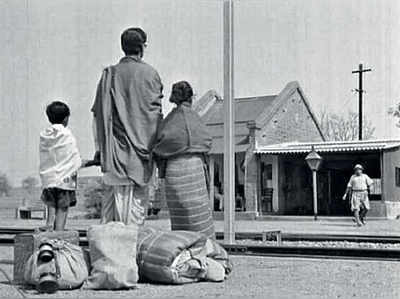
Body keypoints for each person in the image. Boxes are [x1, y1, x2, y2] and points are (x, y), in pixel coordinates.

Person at [91, 27, 163, 226]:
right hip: (140, 160)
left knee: (109, 220)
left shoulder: (109, 75)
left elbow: (98, 116)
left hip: (113, 157)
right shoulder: (150, 74)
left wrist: (100, 150)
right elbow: (154, 117)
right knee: (135, 219)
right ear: (142, 47)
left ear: (123, 47)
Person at [152, 81, 215, 238]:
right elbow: (207, 141)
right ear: (191, 98)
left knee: (180, 223)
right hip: (195, 172)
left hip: (175, 173)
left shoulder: (169, 121)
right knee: (201, 222)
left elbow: (158, 145)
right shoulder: (196, 119)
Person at [39, 101, 82, 231]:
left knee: (51, 208)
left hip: (49, 180)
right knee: (62, 209)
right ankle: (58, 235)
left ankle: (48, 235)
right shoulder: (67, 135)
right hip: (65, 181)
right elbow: (74, 160)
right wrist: (94, 162)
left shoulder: (45, 135)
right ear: (66, 118)